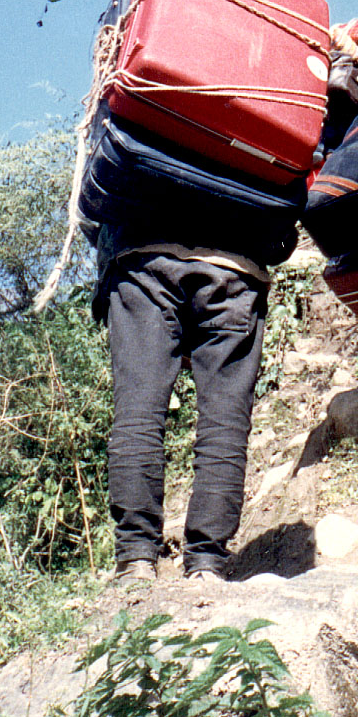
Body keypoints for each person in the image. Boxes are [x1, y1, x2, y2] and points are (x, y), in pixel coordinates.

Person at [92, 225, 270, 582]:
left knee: (138, 413)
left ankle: (135, 559)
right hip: (237, 266)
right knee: (225, 423)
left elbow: (93, 202)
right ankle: (207, 563)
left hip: (143, 259)